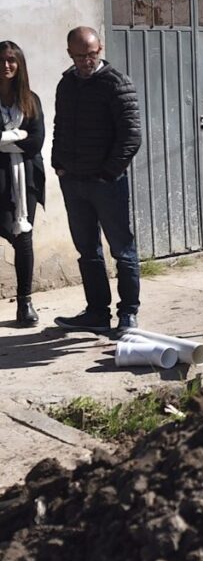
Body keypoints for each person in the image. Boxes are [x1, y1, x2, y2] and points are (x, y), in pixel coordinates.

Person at [52, 27, 141, 334]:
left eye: (92, 54)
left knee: (122, 250)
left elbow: (131, 136)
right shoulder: (66, 85)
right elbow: (59, 125)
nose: (87, 61)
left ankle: (128, 314)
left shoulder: (116, 83)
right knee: (88, 251)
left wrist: (108, 173)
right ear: (70, 54)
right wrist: (58, 163)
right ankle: (96, 314)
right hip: (74, 182)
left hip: (107, 183)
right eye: (80, 56)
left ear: (100, 48)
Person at [0, 41, 45, 325]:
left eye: (11, 61)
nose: (6, 66)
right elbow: (26, 140)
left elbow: (36, 142)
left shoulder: (31, 100)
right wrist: (19, 137)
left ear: (19, 65)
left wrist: (4, 139)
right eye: (1, 60)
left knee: (23, 240)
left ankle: (25, 303)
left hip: (23, 180)